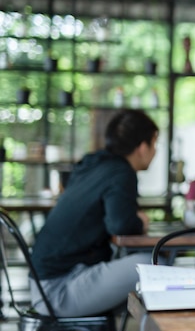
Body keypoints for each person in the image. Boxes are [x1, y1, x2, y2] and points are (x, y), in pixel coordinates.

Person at [30, 109, 159, 317]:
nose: (156, 151)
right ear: (143, 147)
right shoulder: (121, 172)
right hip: (57, 290)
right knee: (153, 265)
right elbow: (121, 225)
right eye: (155, 144)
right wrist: (140, 221)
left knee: (142, 264)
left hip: (42, 284)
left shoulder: (94, 163)